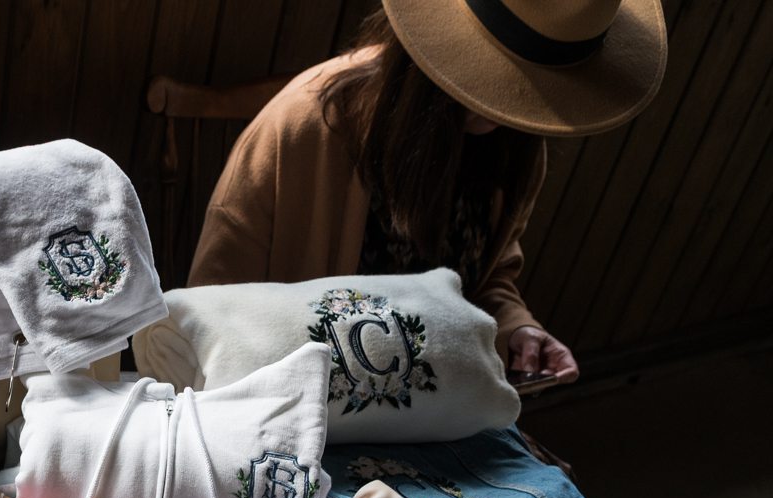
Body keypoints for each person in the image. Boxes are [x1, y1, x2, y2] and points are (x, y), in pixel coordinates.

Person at [189, 0, 668, 387]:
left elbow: (487, 278)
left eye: (531, 89)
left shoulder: (518, 146)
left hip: (443, 398)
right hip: (297, 400)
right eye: (498, 80)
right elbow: (210, 315)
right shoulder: (309, 126)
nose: (499, 114)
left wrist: (519, 327)